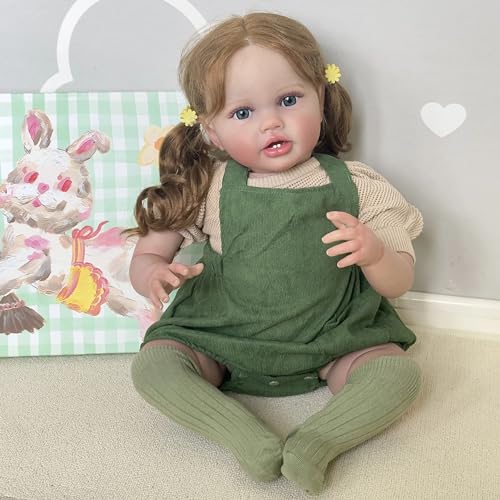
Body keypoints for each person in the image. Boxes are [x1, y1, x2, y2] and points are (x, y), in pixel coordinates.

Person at [128, 12, 423, 494]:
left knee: (398, 374)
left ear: (320, 97)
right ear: (212, 131)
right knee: (153, 365)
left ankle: (317, 442)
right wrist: (154, 273)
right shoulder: (207, 186)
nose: (271, 122)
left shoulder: (358, 185)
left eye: (288, 100)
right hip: (220, 334)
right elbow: (147, 255)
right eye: (243, 113)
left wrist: (374, 255)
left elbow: (399, 281)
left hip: (332, 337)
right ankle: (242, 435)